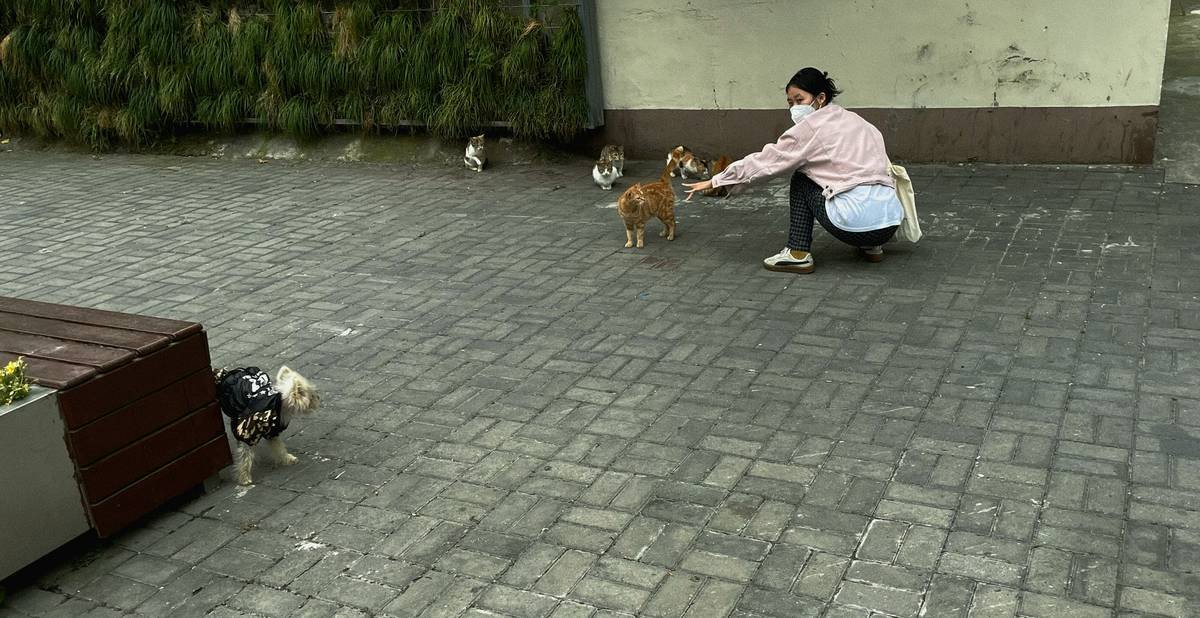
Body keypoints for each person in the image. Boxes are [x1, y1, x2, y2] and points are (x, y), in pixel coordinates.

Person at [684, 67, 903, 274]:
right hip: (889, 222)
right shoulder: (860, 122)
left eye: (800, 100)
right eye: (790, 102)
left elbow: (768, 162)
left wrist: (718, 180)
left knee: (801, 178)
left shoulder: (810, 128)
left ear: (820, 99)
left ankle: (797, 252)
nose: (794, 107)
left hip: (853, 225)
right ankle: (872, 248)